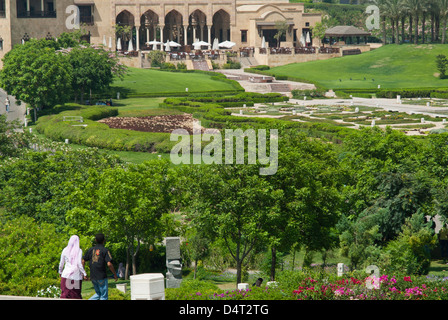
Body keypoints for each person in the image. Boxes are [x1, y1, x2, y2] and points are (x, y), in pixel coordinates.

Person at [82, 233, 118, 300]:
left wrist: (84, 273)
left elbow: (83, 261)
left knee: (98, 294)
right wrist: (115, 274)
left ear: (95, 240)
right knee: (103, 296)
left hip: (93, 276)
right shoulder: (105, 250)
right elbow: (109, 264)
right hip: (101, 276)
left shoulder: (90, 250)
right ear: (104, 240)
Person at [58, 235, 87, 299]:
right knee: (75, 295)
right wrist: (84, 273)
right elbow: (79, 263)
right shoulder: (79, 251)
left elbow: (61, 263)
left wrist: (60, 271)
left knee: (65, 295)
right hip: (76, 277)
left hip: (66, 275)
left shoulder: (65, 250)